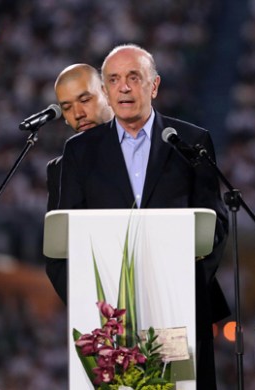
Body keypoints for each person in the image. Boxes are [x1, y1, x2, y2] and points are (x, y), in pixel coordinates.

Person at [50, 44, 229, 389]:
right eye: (114, 80)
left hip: (177, 315)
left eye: (134, 77)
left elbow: (215, 226)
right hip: (108, 323)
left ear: (154, 85)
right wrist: (90, 307)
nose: (125, 87)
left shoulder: (190, 141)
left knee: (177, 387)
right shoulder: (79, 152)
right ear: (105, 90)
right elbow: (61, 241)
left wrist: (182, 292)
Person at [47, 63, 114, 213]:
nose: (78, 114)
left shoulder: (147, 147)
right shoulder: (59, 169)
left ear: (107, 93)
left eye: (84, 100)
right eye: (67, 108)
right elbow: (60, 233)